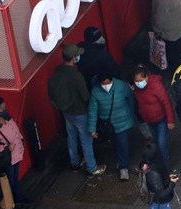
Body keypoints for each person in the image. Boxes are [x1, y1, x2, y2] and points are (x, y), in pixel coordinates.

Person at [48, 44, 103, 176]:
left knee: (71, 136)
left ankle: (74, 162)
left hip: (66, 111)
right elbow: (85, 96)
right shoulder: (76, 75)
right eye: (77, 55)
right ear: (73, 58)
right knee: (86, 139)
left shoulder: (58, 70)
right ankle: (92, 167)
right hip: (80, 112)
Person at [88, 71, 136, 182]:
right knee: (114, 143)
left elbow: (130, 99)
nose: (105, 86)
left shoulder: (121, 86)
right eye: (103, 84)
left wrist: (131, 113)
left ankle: (124, 168)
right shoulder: (95, 92)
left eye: (107, 83)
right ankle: (121, 161)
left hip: (122, 122)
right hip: (109, 125)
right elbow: (92, 111)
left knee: (122, 144)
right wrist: (92, 129)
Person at [0, 97, 26, 207]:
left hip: (16, 154)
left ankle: (18, 198)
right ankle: (9, 205)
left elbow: (15, 130)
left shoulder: (7, 118)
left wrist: (20, 140)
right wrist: (6, 148)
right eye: (2, 109)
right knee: (9, 183)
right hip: (7, 158)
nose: (5, 110)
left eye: (5, 107)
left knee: (15, 179)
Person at [134, 65, 175, 168]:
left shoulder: (156, 86)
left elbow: (166, 102)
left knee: (161, 144)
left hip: (161, 119)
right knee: (156, 143)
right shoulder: (137, 88)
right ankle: (160, 160)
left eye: (141, 80)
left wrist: (170, 120)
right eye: (136, 81)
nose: (139, 83)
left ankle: (165, 168)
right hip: (149, 120)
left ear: (147, 77)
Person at [151, 0, 181, 81]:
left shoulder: (162, 2)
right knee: (180, 52)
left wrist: (156, 30)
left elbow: (160, 19)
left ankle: (176, 76)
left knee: (172, 57)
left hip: (170, 32)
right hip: (180, 27)